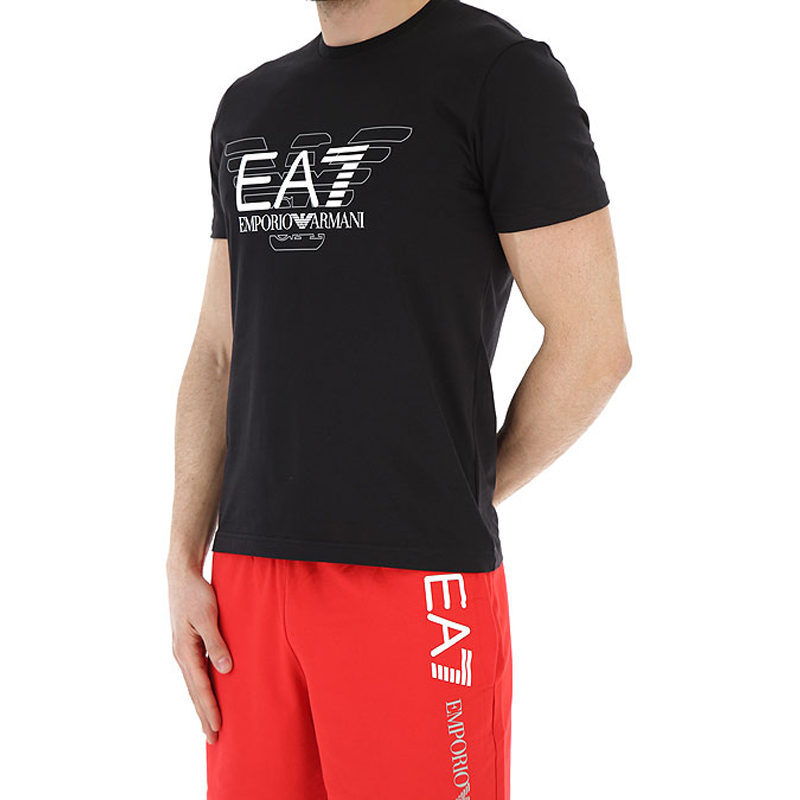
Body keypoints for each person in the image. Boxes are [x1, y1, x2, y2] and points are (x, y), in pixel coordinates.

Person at [167, 0, 631, 797]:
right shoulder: (251, 105)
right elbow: (217, 350)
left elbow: (594, 347)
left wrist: (455, 492)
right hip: (245, 582)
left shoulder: (501, 76)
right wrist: (183, 558)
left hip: (414, 580)